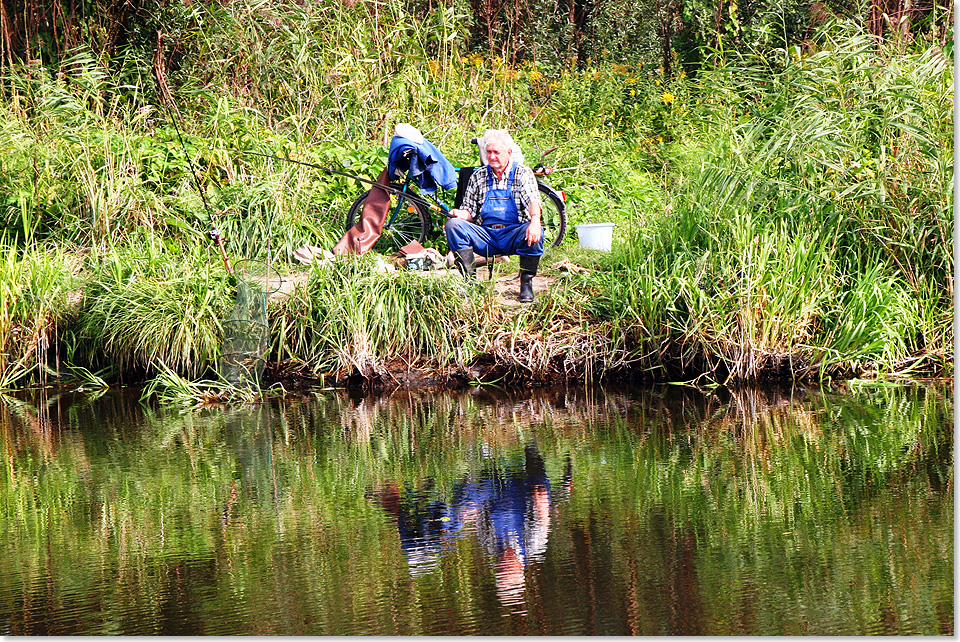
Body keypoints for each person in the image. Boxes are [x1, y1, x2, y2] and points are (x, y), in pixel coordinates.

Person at [445, 129, 543, 303]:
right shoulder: (478, 176)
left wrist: (535, 221)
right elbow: (470, 212)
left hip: (513, 234)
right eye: (489, 152)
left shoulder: (522, 173)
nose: (491, 157)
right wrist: (459, 214)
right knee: (453, 225)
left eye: (496, 152)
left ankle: (526, 283)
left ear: (509, 153)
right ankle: (470, 283)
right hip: (486, 236)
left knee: (537, 230)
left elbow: (533, 201)